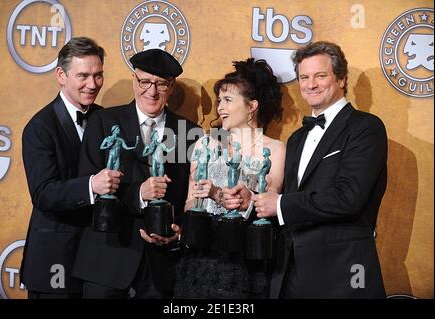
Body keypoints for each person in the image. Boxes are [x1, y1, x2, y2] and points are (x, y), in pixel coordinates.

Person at [253, 41, 387, 298]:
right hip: (289, 272)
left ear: (341, 80)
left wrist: (280, 205)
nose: (310, 84)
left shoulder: (365, 128)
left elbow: (348, 198)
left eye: (320, 76)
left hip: (341, 273)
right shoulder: (297, 138)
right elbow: (287, 197)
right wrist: (253, 199)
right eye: (304, 77)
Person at [71, 49, 202, 298]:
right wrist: (138, 194)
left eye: (161, 84)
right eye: (144, 82)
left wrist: (180, 231)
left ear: (171, 87)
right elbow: (87, 186)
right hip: (106, 261)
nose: (151, 92)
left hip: (160, 269)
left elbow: (192, 194)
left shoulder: (189, 132)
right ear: (134, 80)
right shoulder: (104, 122)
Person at [174, 58, 286, 298]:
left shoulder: (276, 149)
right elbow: (189, 202)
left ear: (251, 106)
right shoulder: (204, 143)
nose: (219, 108)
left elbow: (269, 199)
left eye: (227, 100)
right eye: (218, 101)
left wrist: (220, 194)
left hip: (246, 261)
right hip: (200, 258)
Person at [20, 37, 122, 299]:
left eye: (98, 75)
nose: (92, 84)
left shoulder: (105, 119)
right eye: (83, 75)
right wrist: (90, 186)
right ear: (61, 76)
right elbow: (43, 193)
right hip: (55, 258)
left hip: (99, 259)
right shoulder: (39, 127)